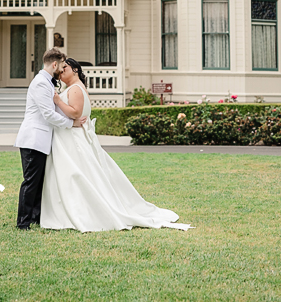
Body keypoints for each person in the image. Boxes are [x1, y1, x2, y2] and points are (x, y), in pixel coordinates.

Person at [40, 58, 191, 232]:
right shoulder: (74, 88)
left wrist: (58, 101)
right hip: (70, 139)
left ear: (75, 69)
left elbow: (75, 113)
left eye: (64, 67)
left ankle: (83, 212)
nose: (61, 71)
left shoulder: (75, 89)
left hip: (73, 140)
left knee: (78, 175)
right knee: (79, 176)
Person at [14, 47, 87, 230]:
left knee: (38, 181)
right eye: (62, 66)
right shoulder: (40, 83)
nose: (63, 70)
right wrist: (72, 124)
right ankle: (23, 222)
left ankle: (35, 217)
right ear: (54, 64)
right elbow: (48, 114)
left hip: (41, 140)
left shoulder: (48, 82)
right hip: (33, 138)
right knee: (30, 181)